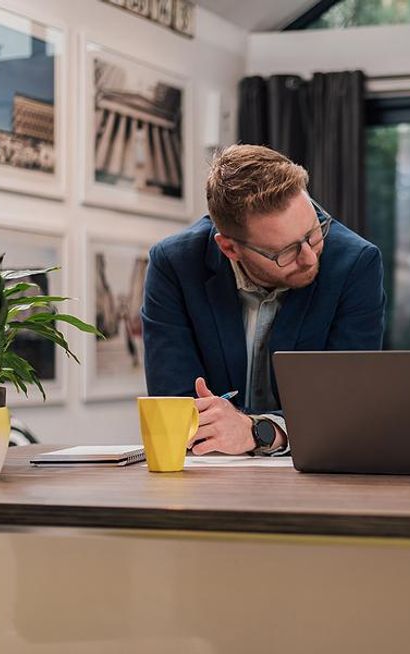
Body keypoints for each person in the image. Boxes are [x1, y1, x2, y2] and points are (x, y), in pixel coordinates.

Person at [142, 144, 386, 456]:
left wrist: (259, 431)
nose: (310, 257)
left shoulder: (355, 263)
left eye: (314, 232)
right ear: (229, 248)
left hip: (319, 469)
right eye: (285, 251)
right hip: (212, 469)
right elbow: (174, 402)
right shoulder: (174, 264)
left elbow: (348, 403)